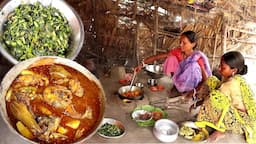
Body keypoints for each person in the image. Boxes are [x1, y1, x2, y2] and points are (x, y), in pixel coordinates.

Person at [192, 51, 256, 143]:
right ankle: (211, 117)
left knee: (214, 98)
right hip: (236, 109)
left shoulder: (231, 84)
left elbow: (212, 98)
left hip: (242, 120)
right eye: (220, 65)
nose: (219, 68)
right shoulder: (232, 77)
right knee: (212, 80)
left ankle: (220, 130)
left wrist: (200, 105)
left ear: (234, 70)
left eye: (223, 67)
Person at [135, 30, 212, 97]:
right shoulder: (178, 52)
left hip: (195, 85)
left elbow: (206, 80)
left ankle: (187, 90)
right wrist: (141, 64)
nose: (181, 45)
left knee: (192, 66)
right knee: (171, 59)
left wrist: (194, 91)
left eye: (184, 43)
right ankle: (178, 86)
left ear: (193, 44)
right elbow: (158, 57)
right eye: (180, 42)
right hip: (181, 82)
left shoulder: (197, 57)